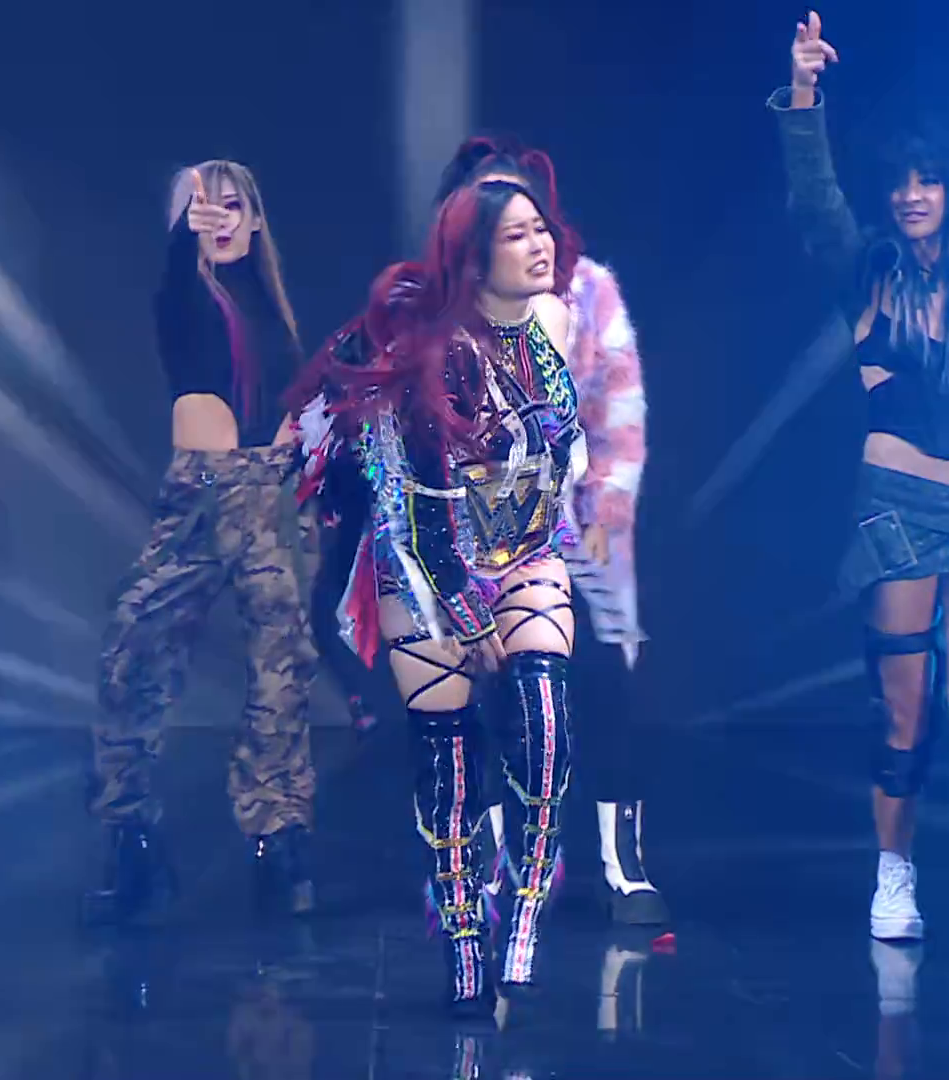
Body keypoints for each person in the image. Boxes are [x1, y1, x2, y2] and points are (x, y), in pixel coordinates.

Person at [773, 11, 949, 964]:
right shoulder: (865, 275)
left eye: (927, 180)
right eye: (898, 182)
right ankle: (893, 870)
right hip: (893, 509)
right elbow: (815, 202)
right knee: (904, 707)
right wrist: (804, 93)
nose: (909, 196)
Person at [290, 174, 586, 1014]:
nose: (540, 245)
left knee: (546, 727)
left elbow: (560, 448)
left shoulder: (554, 321)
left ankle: (527, 904)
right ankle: (462, 937)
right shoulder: (435, 351)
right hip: (426, 567)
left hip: (525, 549)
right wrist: (459, 608)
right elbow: (411, 500)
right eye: (517, 235)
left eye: (541, 228)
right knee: (448, 766)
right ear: (475, 257)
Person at [427, 137, 665, 925]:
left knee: (601, 681)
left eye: (532, 219)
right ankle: (504, 864)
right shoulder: (439, 316)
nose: (526, 235)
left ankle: (622, 863)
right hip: (471, 539)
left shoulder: (581, 293)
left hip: (563, 534)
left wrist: (606, 509)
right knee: (488, 692)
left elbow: (617, 410)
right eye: (502, 219)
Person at [87, 160, 319, 925]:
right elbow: (176, 288)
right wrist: (183, 240)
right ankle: (131, 836)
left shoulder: (272, 311)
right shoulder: (184, 296)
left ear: (255, 220)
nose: (217, 215)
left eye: (232, 204)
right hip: (200, 495)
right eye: (200, 205)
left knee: (280, 670)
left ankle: (279, 840)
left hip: (272, 497)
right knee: (131, 647)